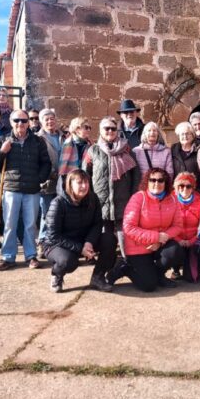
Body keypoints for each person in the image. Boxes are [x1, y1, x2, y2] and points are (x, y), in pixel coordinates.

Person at [0, 109, 51, 271]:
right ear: (11, 122)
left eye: (24, 120)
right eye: (16, 120)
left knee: (30, 225)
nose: (20, 124)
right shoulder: (2, 140)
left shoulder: (37, 141)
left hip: (32, 189)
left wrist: (39, 178)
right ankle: (8, 257)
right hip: (10, 189)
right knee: (9, 224)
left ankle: (31, 256)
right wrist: (2, 152)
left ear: (28, 122)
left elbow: (46, 163)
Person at [83, 116, 139, 284]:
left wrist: (133, 196)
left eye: (112, 129)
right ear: (100, 130)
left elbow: (135, 174)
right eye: (106, 128)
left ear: (117, 131)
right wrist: (89, 199)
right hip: (101, 203)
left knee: (124, 238)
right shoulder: (92, 151)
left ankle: (128, 265)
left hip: (123, 202)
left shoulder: (126, 149)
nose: (109, 131)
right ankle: (105, 270)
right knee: (106, 239)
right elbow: (85, 175)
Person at [43, 169, 108, 293]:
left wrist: (89, 242)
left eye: (86, 182)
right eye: (79, 183)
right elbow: (53, 236)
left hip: (83, 241)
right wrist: (80, 249)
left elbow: (97, 224)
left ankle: (98, 277)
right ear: (70, 184)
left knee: (109, 240)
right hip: (56, 244)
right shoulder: (58, 203)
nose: (84, 186)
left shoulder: (93, 199)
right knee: (68, 261)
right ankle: (56, 275)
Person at [122, 168, 182, 291]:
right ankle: (125, 268)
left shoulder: (173, 200)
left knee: (175, 251)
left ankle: (159, 276)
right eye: (152, 180)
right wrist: (155, 237)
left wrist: (160, 240)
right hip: (138, 247)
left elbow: (178, 226)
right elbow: (128, 227)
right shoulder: (138, 198)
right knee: (148, 286)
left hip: (159, 244)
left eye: (161, 180)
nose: (156, 183)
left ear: (166, 183)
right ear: (147, 181)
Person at [169, 172, 200, 282]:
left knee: (190, 278)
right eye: (181, 186)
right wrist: (178, 240)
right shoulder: (170, 200)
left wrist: (192, 241)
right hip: (176, 240)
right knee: (173, 250)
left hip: (194, 240)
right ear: (176, 187)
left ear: (193, 187)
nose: (185, 189)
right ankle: (175, 269)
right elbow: (167, 225)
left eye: (188, 186)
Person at [36, 108, 62, 251]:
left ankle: (57, 242)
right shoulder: (38, 138)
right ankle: (42, 242)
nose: (50, 121)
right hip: (47, 182)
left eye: (52, 118)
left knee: (61, 213)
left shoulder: (63, 136)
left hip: (63, 182)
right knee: (47, 214)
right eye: (46, 119)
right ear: (41, 121)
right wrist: (48, 174)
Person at [57, 117, 93, 193]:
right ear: (77, 129)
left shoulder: (90, 145)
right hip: (70, 182)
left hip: (85, 182)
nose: (89, 130)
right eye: (86, 127)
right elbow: (63, 169)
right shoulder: (67, 144)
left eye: (90, 128)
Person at [171, 122, 200, 191]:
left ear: (193, 135)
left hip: (195, 189)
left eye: (187, 133)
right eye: (182, 134)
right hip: (178, 189)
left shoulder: (199, 149)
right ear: (179, 136)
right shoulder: (173, 149)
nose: (185, 136)